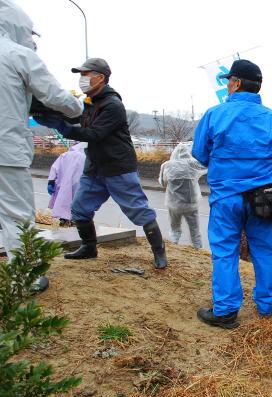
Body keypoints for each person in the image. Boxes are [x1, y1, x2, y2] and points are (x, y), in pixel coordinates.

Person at [35, 58, 168, 269]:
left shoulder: (113, 105)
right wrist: (51, 112)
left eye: (86, 75)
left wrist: (62, 126)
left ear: (100, 78)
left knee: (139, 211)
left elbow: (94, 134)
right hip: (94, 167)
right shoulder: (89, 103)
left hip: (118, 168)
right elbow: (76, 120)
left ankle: (159, 252)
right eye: (81, 75)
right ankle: (89, 247)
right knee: (79, 209)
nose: (82, 79)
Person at [191, 59, 272, 328]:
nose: (227, 87)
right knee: (266, 250)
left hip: (226, 197)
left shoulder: (214, 114)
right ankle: (267, 306)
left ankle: (225, 311)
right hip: (264, 198)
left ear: (235, 83)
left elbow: (200, 154)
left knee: (225, 251)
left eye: (228, 82)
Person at [0, 0, 83, 291]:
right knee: (17, 217)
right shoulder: (17, 54)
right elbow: (57, 98)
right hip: (5, 150)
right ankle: (25, 278)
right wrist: (77, 107)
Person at [158, 142, 207, 248]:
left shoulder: (167, 165)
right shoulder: (193, 163)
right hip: (191, 203)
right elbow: (207, 166)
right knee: (195, 230)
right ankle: (198, 251)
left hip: (173, 204)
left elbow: (162, 183)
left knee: (174, 229)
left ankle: (174, 248)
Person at [47, 142, 86, 226]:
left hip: (64, 184)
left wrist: (51, 181)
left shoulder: (66, 155)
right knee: (79, 202)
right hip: (82, 183)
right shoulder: (87, 156)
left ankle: (64, 219)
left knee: (64, 200)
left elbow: (54, 168)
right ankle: (77, 221)